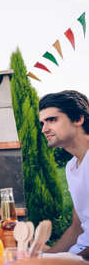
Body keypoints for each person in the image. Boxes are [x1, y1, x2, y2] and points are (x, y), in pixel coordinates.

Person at [39, 90, 89, 260]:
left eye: (52, 120)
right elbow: (78, 228)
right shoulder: (72, 167)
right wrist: (43, 258)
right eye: (42, 123)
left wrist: (62, 262)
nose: (44, 129)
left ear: (78, 118)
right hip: (78, 254)